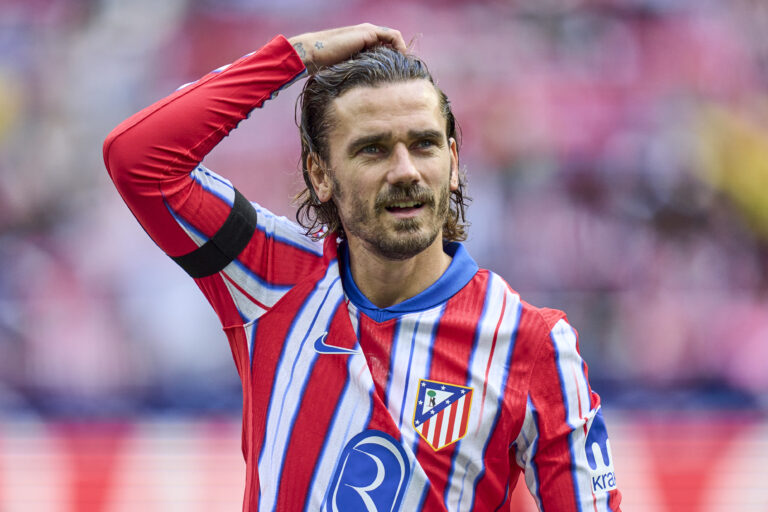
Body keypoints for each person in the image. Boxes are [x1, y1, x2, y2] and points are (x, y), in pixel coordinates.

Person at [103, 23, 621, 512]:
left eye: (424, 144)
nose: (406, 171)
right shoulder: (270, 276)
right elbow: (138, 159)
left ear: (455, 163)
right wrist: (296, 56)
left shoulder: (531, 343)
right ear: (321, 176)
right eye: (373, 150)